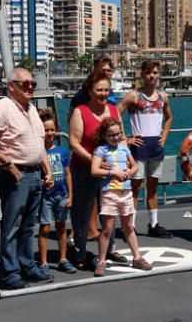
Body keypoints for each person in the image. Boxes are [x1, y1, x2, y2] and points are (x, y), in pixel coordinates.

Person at [0, 68, 54, 290]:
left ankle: (27, 265)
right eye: (25, 84)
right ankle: (9, 272)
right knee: (12, 226)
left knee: (28, 225)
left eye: (32, 84)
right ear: (11, 86)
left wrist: (46, 170)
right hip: (16, 175)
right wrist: (8, 163)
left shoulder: (30, 109)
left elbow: (38, 146)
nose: (30, 87)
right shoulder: (3, 108)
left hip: (34, 173)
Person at [68, 72, 127, 269]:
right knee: (82, 212)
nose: (103, 94)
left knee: (109, 210)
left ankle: (109, 248)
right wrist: (95, 162)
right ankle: (80, 252)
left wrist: (125, 160)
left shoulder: (113, 110)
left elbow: (122, 137)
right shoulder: (80, 111)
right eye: (99, 90)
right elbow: (74, 144)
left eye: (106, 90)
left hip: (110, 172)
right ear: (89, 91)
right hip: (84, 169)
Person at [90, 117, 153, 276]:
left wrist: (130, 172)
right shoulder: (101, 151)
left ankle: (137, 257)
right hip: (109, 193)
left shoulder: (124, 148)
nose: (115, 137)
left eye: (118, 134)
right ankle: (102, 260)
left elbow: (134, 165)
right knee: (107, 229)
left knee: (128, 227)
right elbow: (94, 170)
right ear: (104, 135)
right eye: (111, 135)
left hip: (125, 192)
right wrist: (113, 173)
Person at [118, 59, 173, 238]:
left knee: (153, 187)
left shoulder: (163, 96)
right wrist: (126, 139)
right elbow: (116, 114)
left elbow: (169, 117)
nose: (152, 76)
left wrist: (164, 134)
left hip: (156, 147)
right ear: (142, 75)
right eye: (148, 73)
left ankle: (154, 224)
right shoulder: (133, 96)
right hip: (138, 148)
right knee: (134, 188)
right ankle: (130, 227)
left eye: (155, 73)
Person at [69, 56, 114, 242]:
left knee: (106, 204)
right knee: (83, 205)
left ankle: (101, 239)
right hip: (85, 161)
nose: (106, 73)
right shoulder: (81, 101)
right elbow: (75, 136)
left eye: (109, 71)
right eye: (102, 70)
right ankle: (80, 240)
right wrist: (93, 159)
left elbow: (116, 126)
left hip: (106, 163)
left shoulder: (110, 101)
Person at [38, 109, 76, 274]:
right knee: (45, 229)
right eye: (46, 130)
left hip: (61, 195)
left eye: (52, 129)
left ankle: (63, 259)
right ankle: (43, 262)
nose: (50, 133)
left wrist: (71, 195)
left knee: (61, 227)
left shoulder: (62, 151)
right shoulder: (38, 152)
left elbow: (68, 174)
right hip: (45, 197)